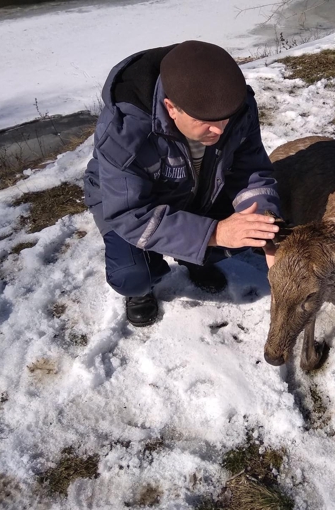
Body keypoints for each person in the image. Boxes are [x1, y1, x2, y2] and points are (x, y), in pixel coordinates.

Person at [84, 41, 281, 327]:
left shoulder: (235, 104)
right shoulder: (123, 130)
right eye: (207, 122)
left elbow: (251, 169)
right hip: (126, 201)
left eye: (226, 119)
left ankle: (194, 258)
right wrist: (214, 233)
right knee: (132, 275)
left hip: (197, 187)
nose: (219, 129)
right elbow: (130, 214)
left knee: (246, 231)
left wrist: (265, 222)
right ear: (171, 108)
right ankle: (143, 289)